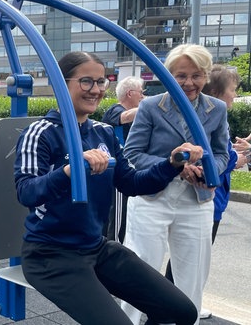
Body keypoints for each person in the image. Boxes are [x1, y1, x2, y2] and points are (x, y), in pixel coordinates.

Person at [14, 51, 198, 325]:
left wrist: (171, 164)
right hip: (50, 254)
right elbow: (26, 192)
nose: (96, 90)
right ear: (59, 84)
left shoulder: (103, 133)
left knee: (182, 311)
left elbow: (132, 183)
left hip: (96, 247)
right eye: (86, 81)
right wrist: (70, 170)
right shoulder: (41, 133)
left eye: (102, 82)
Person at [121, 44, 229, 324]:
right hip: (153, 198)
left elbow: (221, 153)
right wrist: (174, 167)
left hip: (196, 201)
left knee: (192, 273)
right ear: (168, 75)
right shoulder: (150, 106)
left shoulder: (216, 108)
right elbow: (132, 154)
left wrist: (207, 171)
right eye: (181, 75)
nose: (189, 83)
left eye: (197, 75)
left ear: (206, 76)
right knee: (140, 267)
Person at [164, 64, 241, 319]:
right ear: (217, 94)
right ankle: (175, 304)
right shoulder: (207, 118)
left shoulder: (216, 119)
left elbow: (220, 153)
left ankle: (176, 303)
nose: (235, 95)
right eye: (233, 90)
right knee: (190, 258)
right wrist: (233, 159)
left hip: (211, 199)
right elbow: (215, 158)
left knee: (189, 258)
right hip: (207, 199)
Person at [100, 75, 145, 243]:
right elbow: (125, 117)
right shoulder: (115, 110)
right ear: (130, 93)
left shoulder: (137, 116)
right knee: (118, 218)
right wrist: (151, 105)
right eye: (141, 92)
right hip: (117, 173)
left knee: (125, 216)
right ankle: (115, 250)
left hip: (129, 171)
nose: (142, 96)